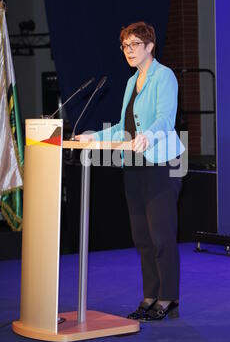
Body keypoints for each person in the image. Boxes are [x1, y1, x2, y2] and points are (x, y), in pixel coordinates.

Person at [76, 21, 185, 321]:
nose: (129, 50)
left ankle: (168, 298)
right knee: (143, 237)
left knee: (161, 235)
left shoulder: (165, 77)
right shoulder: (130, 82)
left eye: (135, 44)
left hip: (162, 163)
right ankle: (150, 295)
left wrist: (148, 135)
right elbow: (123, 129)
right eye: (125, 45)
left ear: (150, 46)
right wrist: (93, 137)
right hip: (134, 164)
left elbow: (165, 119)